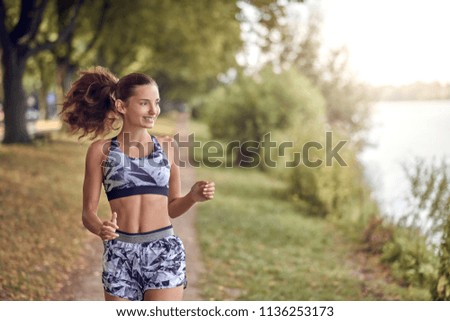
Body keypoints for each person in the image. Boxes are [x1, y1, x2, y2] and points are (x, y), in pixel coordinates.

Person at [61, 66, 215, 301]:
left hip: (163, 251)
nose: (154, 110)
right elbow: (87, 213)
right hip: (120, 253)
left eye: (157, 102)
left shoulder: (168, 147)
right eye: (144, 103)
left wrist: (192, 197)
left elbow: (172, 207)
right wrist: (100, 228)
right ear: (122, 106)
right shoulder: (100, 151)